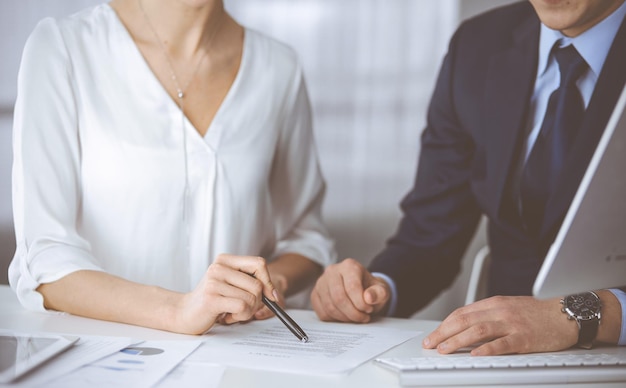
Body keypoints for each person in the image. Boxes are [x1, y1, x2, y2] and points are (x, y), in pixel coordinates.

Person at [311, 0, 626, 355]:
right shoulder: (478, 45)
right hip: (501, 360)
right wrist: (374, 290)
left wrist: (581, 315)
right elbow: (432, 232)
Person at [9, 0, 335, 335]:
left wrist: (270, 280)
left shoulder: (278, 68)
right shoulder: (64, 48)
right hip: (102, 365)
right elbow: (45, 259)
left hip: (236, 364)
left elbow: (306, 238)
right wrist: (178, 310)